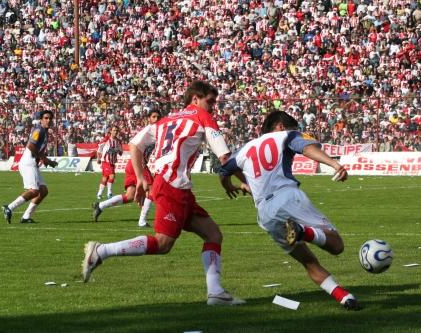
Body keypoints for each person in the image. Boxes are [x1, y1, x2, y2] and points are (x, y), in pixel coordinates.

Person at [81, 81, 245, 306]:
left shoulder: (165, 120)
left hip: (176, 186)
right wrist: (248, 184)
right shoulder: (201, 117)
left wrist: (140, 177)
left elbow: (135, 145)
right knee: (162, 244)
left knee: (213, 234)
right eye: (210, 101)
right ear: (195, 99)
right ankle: (102, 251)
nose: (213, 107)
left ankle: (215, 293)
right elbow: (226, 159)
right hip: (172, 186)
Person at [218, 111, 361, 311]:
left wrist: (229, 186)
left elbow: (224, 169)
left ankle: (345, 298)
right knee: (336, 245)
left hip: (265, 213)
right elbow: (307, 148)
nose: (297, 132)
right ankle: (304, 232)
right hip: (287, 197)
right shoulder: (286, 135)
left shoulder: (245, 149)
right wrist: (334, 164)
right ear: (279, 126)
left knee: (308, 261)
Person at [92, 110, 160, 227]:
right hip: (138, 164)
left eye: (158, 117)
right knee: (152, 190)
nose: (156, 119)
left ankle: (100, 206)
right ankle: (142, 221)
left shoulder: (157, 132)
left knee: (129, 196)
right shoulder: (148, 131)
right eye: (153, 116)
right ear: (149, 118)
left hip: (132, 164)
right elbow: (132, 144)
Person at [2, 110, 58, 224]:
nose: (48, 120)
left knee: (43, 190)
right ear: (41, 119)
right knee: (34, 191)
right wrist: (43, 159)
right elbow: (30, 145)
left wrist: (48, 161)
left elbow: (38, 149)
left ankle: (26, 216)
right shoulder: (39, 130)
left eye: (50, 118)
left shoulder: (44, 131)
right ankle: (10, 207)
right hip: (28, 163)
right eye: (46, 118)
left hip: (33, 164)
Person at [95, 125, 123, 199]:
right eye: (114, 130)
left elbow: (121, 152)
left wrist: (117, 150)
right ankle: (109, 193)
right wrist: (98, 158)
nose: (115, 132)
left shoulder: (118, 141)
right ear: (110, 131)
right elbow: (99, 148)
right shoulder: (106, 139)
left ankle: (99, 193)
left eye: (117, 131)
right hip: (106, 162)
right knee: (112, 176)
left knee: (105, 178)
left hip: (112, 162)